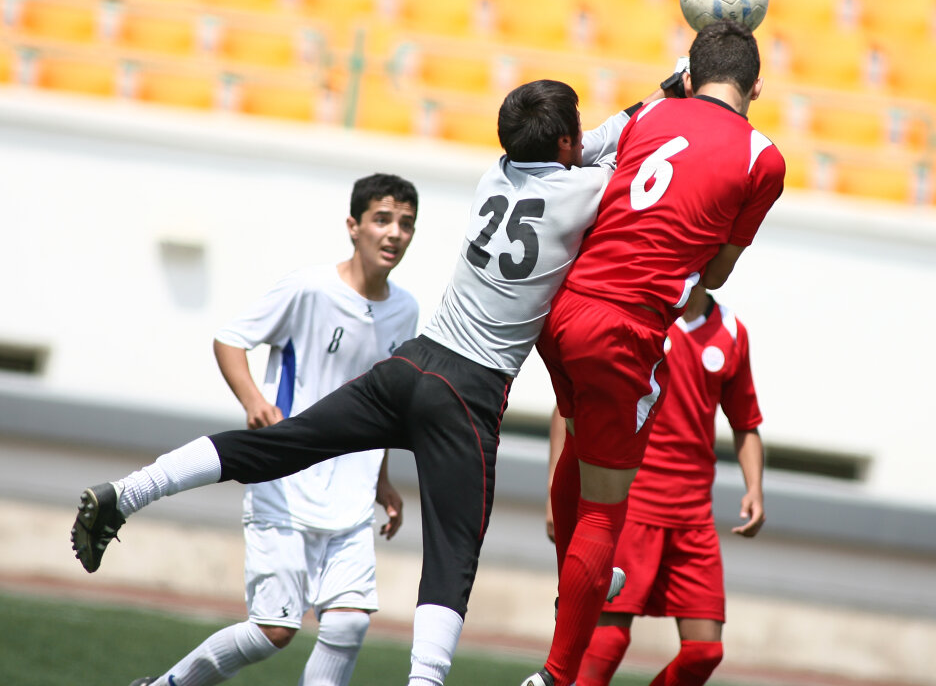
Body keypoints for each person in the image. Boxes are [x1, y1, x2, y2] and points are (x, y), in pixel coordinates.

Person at [71, 79, 656, 686]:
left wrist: (653, 99)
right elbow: (618, 146)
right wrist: (664, 101)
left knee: (277, 447)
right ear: (564, 141)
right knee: (453, 555)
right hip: (469, 391)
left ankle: (130, 492)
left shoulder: (496, 174)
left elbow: (583, 142)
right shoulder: (589, 190)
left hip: (414, 363)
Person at [524, 20, 786, 686]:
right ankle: (556, 676)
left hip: (561, 309)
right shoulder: (763, 159)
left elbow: (586, 154)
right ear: (757, 86)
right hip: (623, 329)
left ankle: (572, 588)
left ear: (690, 76)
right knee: (604, 514)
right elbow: (714, 274)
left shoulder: (650, 113)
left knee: (578, 442)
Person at [124, 173, 419, 686]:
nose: (395, 233)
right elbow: (230, 340)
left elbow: (384, 403)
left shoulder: (406, 309)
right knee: (273, 630)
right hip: (286, 484)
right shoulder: (309, 288)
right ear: (353, 226)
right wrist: (255, 402)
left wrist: (382, 480)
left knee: (348, 624)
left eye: (406, 224)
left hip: (351, 496)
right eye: (382, 219)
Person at [545, 284, 766, 686]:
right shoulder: (637, 316)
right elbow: (571, 405)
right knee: (607, 639)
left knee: (704, 652)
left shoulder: (732, 332)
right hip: (628, 502)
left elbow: (745, 422)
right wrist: (555, 494)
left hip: (693, 514)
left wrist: (754, 488)